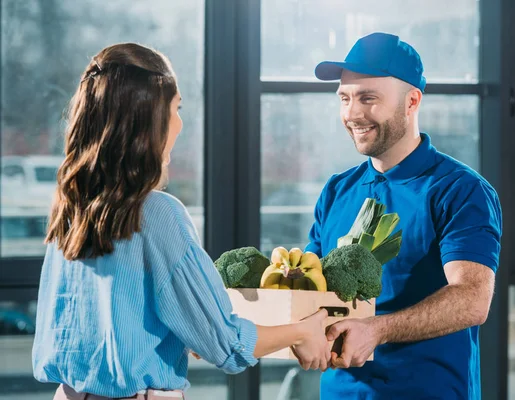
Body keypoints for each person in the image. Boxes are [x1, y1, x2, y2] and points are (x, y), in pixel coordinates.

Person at [32, 43, 330, 400]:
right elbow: (228, 345)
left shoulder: (71, 206)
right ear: (148, 120)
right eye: (176, 108)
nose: (180, 122)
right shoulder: (158, 213)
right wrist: (303, 330)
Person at [306, 32, 502, 399]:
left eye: (368, 98)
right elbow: (307, 287)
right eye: (345, 98)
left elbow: (474, 298)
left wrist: (377, 330)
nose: (352, 113)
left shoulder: (459, 190)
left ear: (412, 102)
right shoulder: (336, 191)